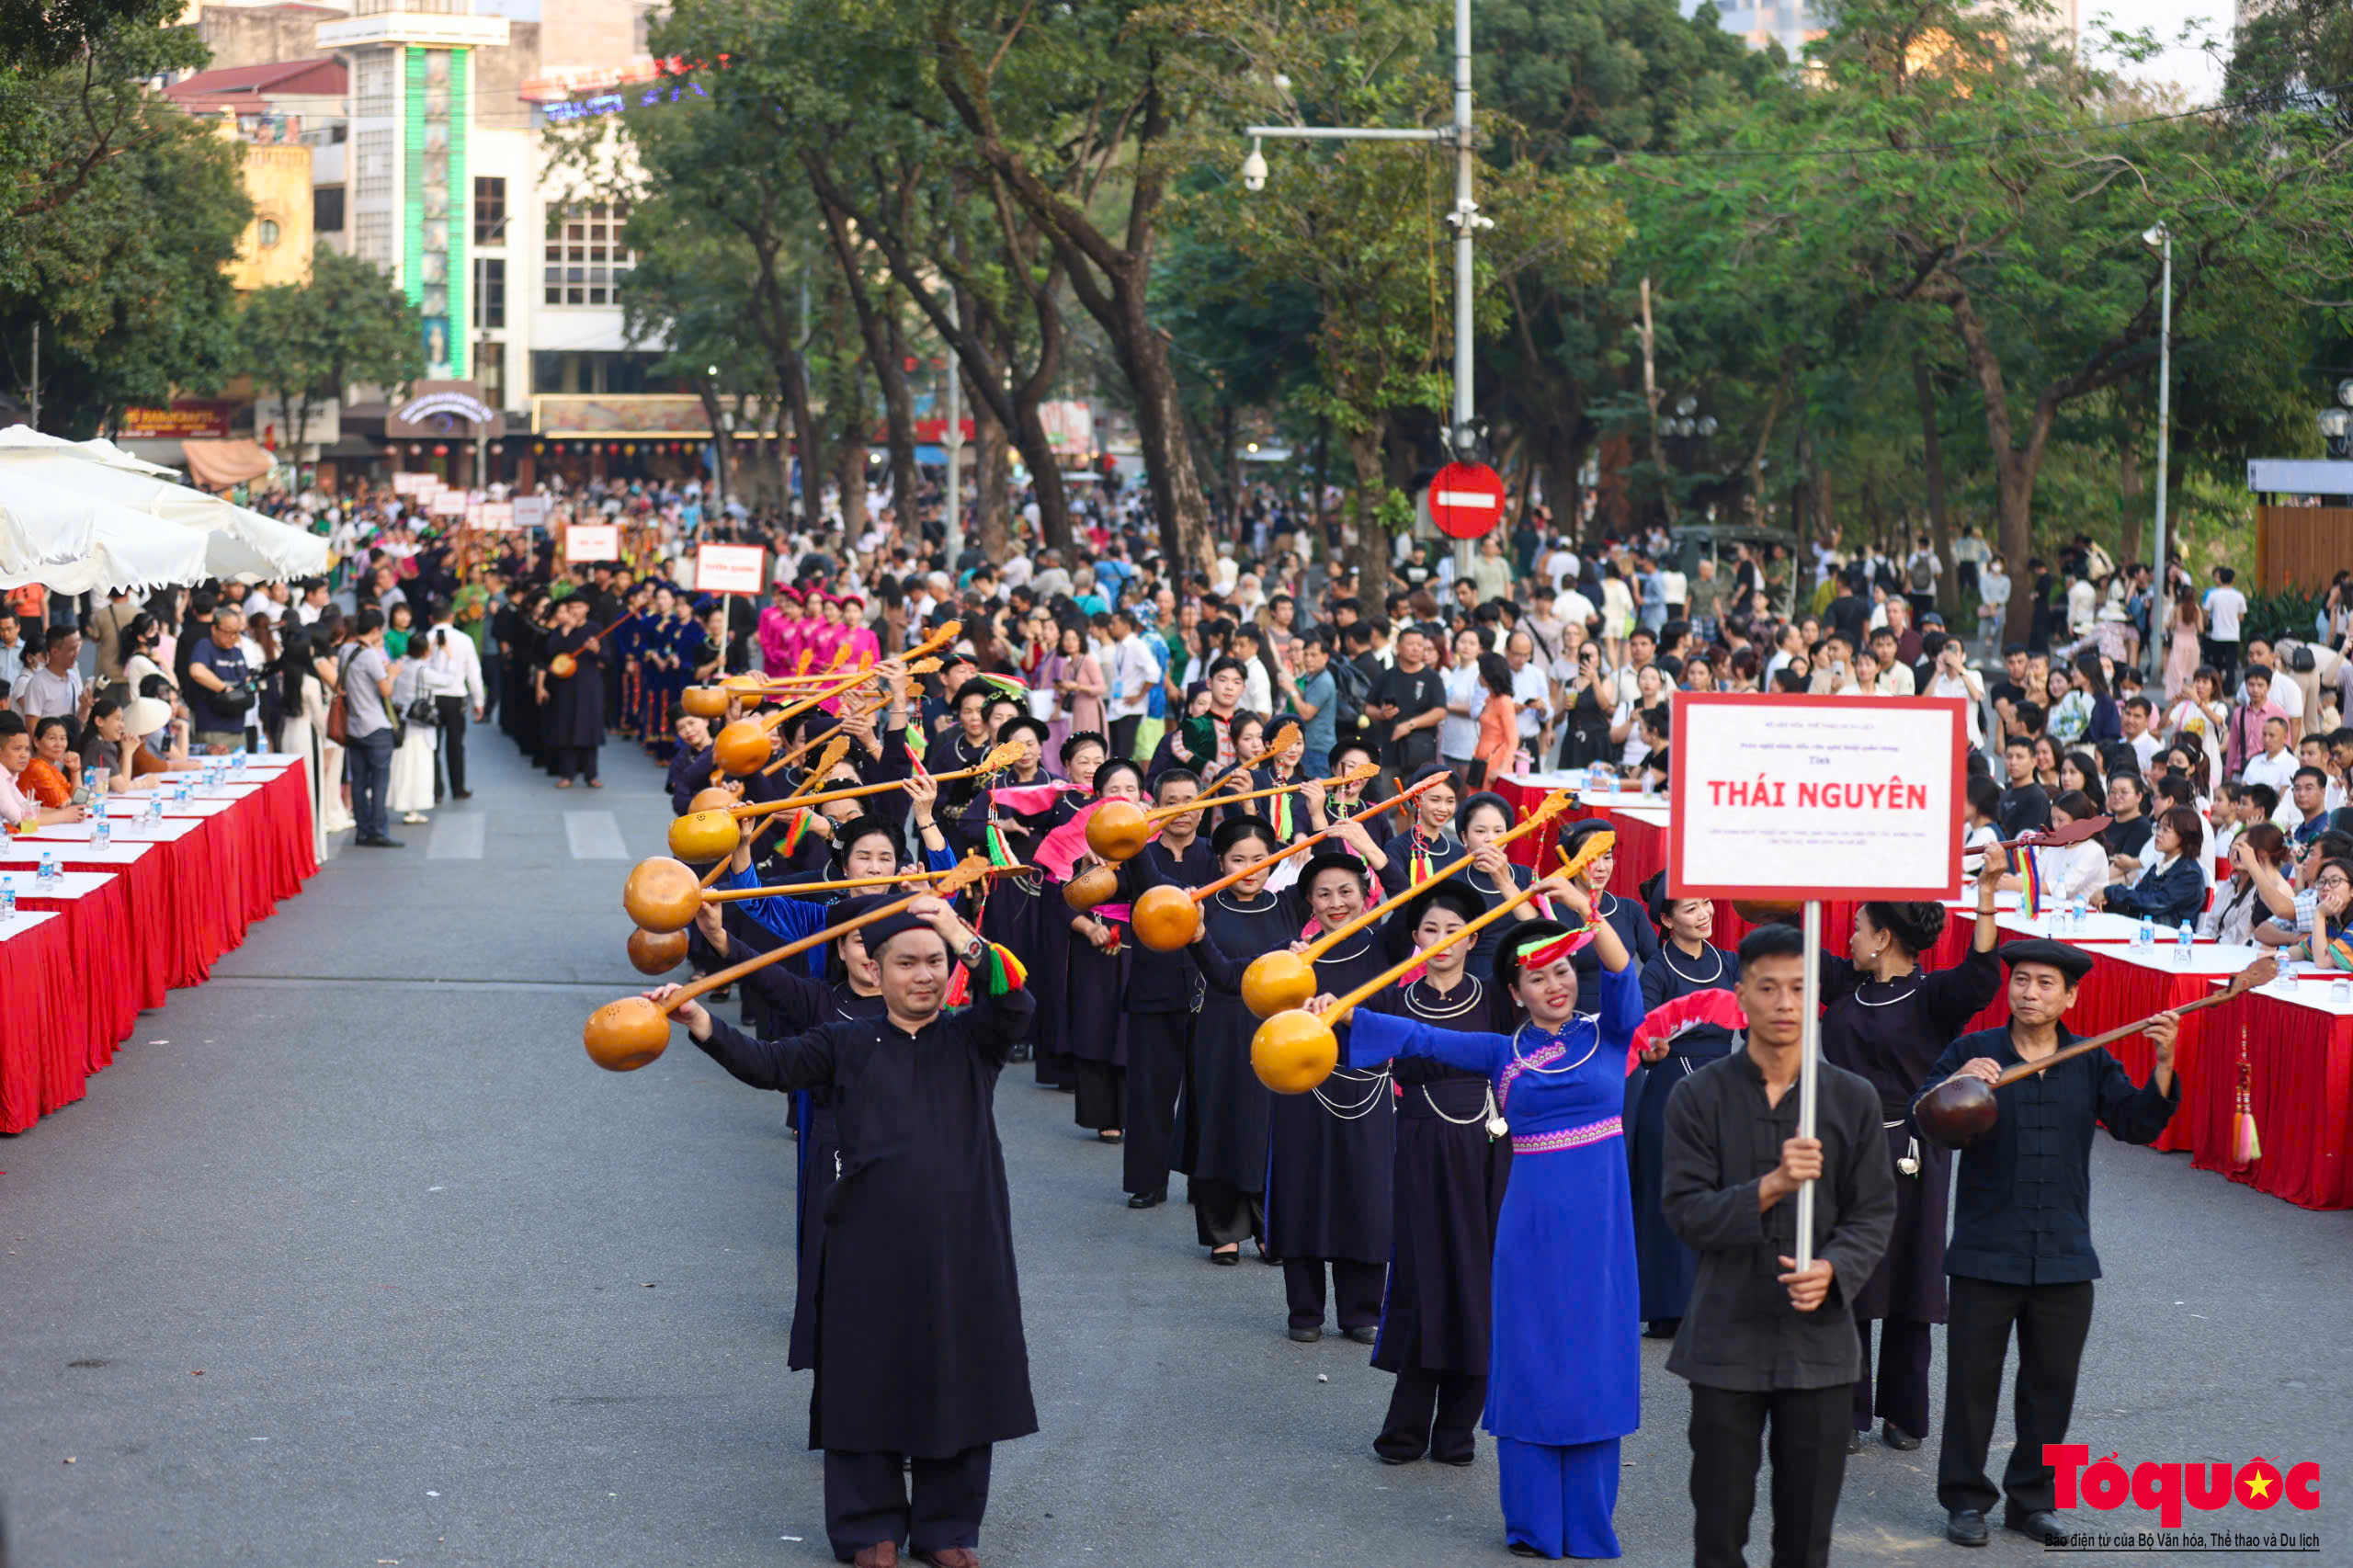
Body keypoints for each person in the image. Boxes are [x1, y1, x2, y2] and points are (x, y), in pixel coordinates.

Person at [654, 894, 1038, 1568]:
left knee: (960, 1376)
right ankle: (869, 1527)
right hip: (866, 1241)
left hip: (963, 1245)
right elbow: (766, 1067)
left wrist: (956, 928)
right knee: (867, 1379)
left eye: (935, 963)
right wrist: (701, 1023)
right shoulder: (845, 1040)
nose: (923, 975)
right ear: (877, 970)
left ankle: (948, 1529)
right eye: (907, 962)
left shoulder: (972, 1039)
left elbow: (1016, 1000)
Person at [1324, 896, 1643, 1562]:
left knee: (1590, 1368)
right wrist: (1336, 1012)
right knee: (1529, 1364)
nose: (1553, 986)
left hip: (1602, 1238)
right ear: (1515, 992)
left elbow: (1623, 975)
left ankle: (1588, 1526)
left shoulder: (1609, 1035)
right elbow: (1417, 1037)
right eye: (1536, 977)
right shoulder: (1502, 1051)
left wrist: (1588, 911)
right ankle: (1530, 1525)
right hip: (1526, 1234)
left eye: (1561, 971)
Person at [1918, 939, 2184, 1547]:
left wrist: (2164, 1062)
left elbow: (2137, 1124)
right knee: (1970, 1387)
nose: (2030, 993)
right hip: (1986, 1252)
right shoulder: (1974, 1052)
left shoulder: (2089, 1060)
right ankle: (1965, 1501)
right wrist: (1956, 1083)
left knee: (2050, 1387)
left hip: (2065, 1255)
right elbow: (1922, 1120)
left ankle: (2031, 1502)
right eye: (2022, 982)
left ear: (2070, 997)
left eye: (2045, 984)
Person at [1660, 922, 1896, 1568]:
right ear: (1741, 995)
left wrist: (1835, 1269)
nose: (1785, 1004)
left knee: (1805, 1542)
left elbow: (1875, 1211)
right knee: (1718, 1535)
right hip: (1723, 1341)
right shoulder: (1697, 1096)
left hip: (1818, 1349)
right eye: (1769, 988)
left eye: (1799, 988)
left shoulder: (1849, 1098)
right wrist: (1769, 1186)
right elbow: (1683, 1214)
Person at [1363, 881, 1516, 1466]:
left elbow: (1554, 957)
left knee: (1480, 1283)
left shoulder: (1499, 998)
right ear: (1414, 937)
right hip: (1421, 1151)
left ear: (1473, 937)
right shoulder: (1393, 998)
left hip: (1487, 1151)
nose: (1441, 940)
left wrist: (1506, 883)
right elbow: (1349, 1025)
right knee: (1425, 1281)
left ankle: (1458, 1433)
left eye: (1454, 930)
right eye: (1430, 929)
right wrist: (1328, 1008)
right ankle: (1405, 1432)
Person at [1631, 890, 1740, 1338]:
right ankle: (1668, 1304)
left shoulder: (1730, 962)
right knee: (1670, 1190)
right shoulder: (1656, 969)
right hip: (1672, 1085)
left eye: (1706, 903)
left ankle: (1721, 1300)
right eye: (1690, 908)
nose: (1704, 913)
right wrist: (1652, 1051)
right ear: (1667, 919)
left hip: (1727, 1083)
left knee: (1727, 1188)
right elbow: (1641, 1033)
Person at [341, 608, 401, 847]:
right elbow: (386, 690)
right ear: (376, 631)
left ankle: (362, 830)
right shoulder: (370, 656)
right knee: (379, 781)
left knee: (358, 780)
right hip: (375, 726)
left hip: (353, 725)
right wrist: (393, 674)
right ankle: (377, 830)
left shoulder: (345, 650)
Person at [540, 596, 606, 788]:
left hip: (589, 685)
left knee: (590, 728)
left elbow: (607, 658)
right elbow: (550, 654)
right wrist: (566, 632)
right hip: (565, 686)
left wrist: (596, 650)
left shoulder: (595, 630)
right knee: (566, 728)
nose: (575, 611)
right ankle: (567, 774)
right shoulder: (560, 631)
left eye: (579, 606)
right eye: (571, 608)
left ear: (586, 607)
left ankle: (591, 774)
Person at [387, 634, 438, 826]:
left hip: (403, 719)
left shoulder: (401, 666)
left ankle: (406, 804)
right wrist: (446, 657)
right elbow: (448, 681)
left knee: (404, 765)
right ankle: (413, 807)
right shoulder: (423, 670)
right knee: (418, 766)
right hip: (419, 724)